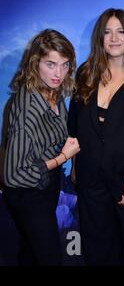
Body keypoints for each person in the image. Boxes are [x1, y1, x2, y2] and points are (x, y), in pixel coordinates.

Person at [68, 8, 124, 265]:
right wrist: (75, 166)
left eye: (120, 31)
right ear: (100, 38)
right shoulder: (86, 73)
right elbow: (75, 126)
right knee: (97, 248)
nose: (114, 38)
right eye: (107, 32)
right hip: (90, 180)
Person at [2, 29, 80, 265]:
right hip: (27, 194)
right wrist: (62, 158)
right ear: (36, 63)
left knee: (30, 255)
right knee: (49, 258)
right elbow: (13, 174)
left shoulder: (52, 92)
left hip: (46, 186)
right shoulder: (27, 106)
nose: (59, 73)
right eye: (51, 64)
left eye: (65, 65)